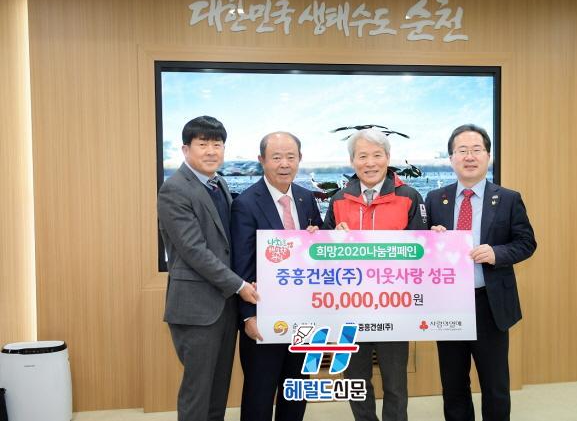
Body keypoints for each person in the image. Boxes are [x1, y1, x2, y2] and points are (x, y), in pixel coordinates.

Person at [425, 124, 536, 421]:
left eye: (476, 150)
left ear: (488, 156)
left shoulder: (509, 198)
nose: (469, 156)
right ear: (451, 158)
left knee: (495, 384)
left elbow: (526, 243)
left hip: (489, 302)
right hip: (448, 304)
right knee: (453, 384)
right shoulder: (435, 199)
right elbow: (421, 249)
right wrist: (431, 239)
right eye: (462, 150)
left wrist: (497, 253)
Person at [158, 115, 259, 421]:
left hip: (224, 305)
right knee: (197, 393)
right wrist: (240, 286)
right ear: (185, 149)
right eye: (203, 144)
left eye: (217, 144)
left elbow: (229, 243)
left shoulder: (219, 183)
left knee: (218, 389)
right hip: (197, 307)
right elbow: (194, 251)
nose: (212, 151)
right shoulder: (175, 189)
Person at [322, 128, 427, 421]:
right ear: (352, 161)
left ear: (388, 158)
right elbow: (323, 253)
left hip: (394, 304)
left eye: (377, 155)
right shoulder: (338, 198)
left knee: (395, 381)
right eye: (362, 156)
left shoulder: (409, 196)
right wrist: (330, 236)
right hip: (348, 305)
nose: (370, 163)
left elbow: (422, 250)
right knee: (355, 380)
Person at [231, 132, 323, 421]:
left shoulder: (307, 199)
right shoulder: (246, 203)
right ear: (262, 160)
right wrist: (248, 316)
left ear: (299, 159)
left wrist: (318, 237)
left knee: (295, 392)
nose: (284, 164)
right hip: (264, 315)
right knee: (259, 396)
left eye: (291, 157)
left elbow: (319, 253)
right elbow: (241, 264)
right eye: (276, 157)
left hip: (304, 315)